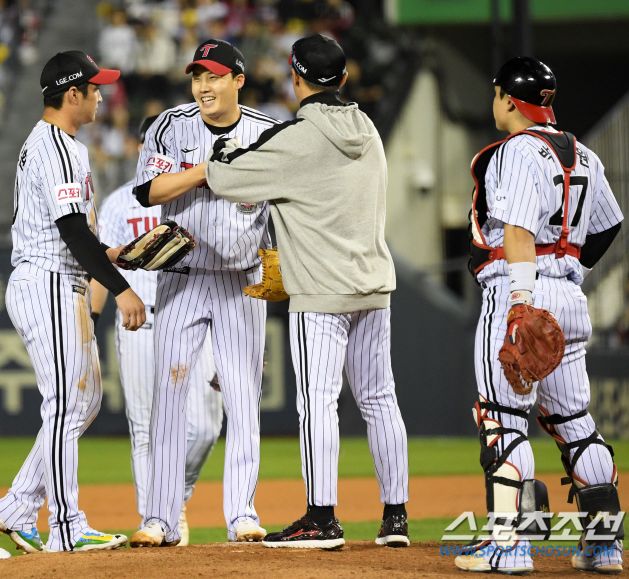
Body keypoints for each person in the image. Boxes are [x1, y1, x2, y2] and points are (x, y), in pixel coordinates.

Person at [206, 34, 410, 550]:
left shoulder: (296, 138)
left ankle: (321, 518)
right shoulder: (369, 129)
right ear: (343, 78)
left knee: (318, 402)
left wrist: (226, 149)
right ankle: (397, 519)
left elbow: (227, 179)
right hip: (373, 285)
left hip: (321, 293)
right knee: (380, 399)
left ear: (296, 80)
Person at [458, 57, 624, 573]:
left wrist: (524, 301)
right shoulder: (586, 155)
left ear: (508, 98)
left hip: (520, 291)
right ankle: (603, 546)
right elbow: (608, 226)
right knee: (576, 423)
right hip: (570, 299)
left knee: (503, 421)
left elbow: (518, 235)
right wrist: (566, 268)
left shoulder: (515, 152)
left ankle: (508, 547)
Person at [0, 51, 146, 553]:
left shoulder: (60, 144)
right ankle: (67, 526)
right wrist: (120, 288)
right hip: (47, 281)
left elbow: (76, 233)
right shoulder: (56, 146)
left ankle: (16, 505)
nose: (103, 94)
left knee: (83, 401)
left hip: (62, 277)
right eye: (95, 87)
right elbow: (71, 230)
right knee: (64, 404)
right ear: (72, 94)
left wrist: (112, 253)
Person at [128, 39, 279, 548]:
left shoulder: (267, 132)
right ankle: (160, 519)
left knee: (242, 399)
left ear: (238, 79)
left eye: (214, 76)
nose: (203, 86)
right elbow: (148, 192)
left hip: (241, 282)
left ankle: (242, 514)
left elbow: (284, 209)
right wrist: (210, 172)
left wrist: (275, 273)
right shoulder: (171, 125)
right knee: (168, 399)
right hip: (183, 279)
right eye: (197, 76)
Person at [90, 116, 223, 546]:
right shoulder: (117, 203)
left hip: (191, 316)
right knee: (145, 426)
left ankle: (173, 498)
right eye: (153, 141)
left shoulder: (199, 197)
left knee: (204, 425)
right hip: (139, 321)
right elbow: (98, 268)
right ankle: (156, 519)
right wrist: (88, 329)